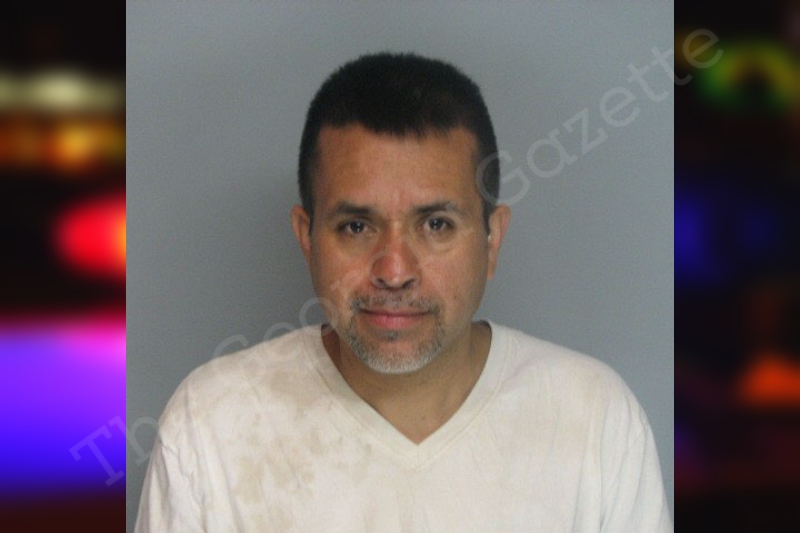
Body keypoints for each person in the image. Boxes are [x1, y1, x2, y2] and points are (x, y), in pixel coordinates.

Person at [135, 52, 672, 532]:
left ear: (492, 240)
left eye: (436, 225)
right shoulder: (213, 423)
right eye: (355, 226)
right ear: (306, 237)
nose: (394, 272)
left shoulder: (592, 417)